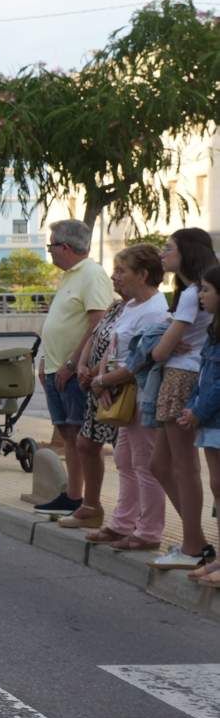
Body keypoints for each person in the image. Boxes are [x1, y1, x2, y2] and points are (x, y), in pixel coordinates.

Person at [87, 244, 169, 551]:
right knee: (124, 459)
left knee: (145, 463)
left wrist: (103, 381)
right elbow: (115, 349)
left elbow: (141, 360)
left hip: (141, 392)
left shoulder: (155, 311)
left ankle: (149, 530)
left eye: (122, 271)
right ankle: (124, 522)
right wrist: (103, 381)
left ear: (143, 274)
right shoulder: (131, 306)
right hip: (120, 391)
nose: (114, 276)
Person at [145, 229, 219, 571]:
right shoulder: (194, 293)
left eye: (169, 248)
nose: (163, 254)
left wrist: (163, 345)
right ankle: (196, 539)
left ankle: (193, 546)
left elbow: (159, 351)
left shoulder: (191, 294)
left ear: (186, 252)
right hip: (182, 375)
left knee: (183, 467)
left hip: (181, 377)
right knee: (161, 465)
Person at [34, 220, 114, 518]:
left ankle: (88, 502)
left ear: (64, 247)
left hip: (74, 370)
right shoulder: (70, 276)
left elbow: (98, 324)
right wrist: (46, 363)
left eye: (51, 245)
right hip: (56, 368)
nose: (50, 251)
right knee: (68, 433)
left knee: (84, 436)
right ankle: (73, 496)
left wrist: (72, 363)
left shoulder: (92, 275)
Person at [63, 280, 128, 536]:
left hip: (117, 390)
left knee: (129, 457)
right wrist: (81, 366)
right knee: (86, 443)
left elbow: (126, 351)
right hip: (96, 386)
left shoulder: (144, 310)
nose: (115, 277)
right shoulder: (116, 306)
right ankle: (91, 507)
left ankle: (131, 517)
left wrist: (99, 376)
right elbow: (95, 336)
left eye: (122, 271)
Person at [177, 265, 220, 587]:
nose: (200, 295)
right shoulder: (214, 332)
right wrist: (191, 405)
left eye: (206, 289)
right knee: (217, 487)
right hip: (209, 421)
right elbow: (204, 378)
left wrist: (198, 412)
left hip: (214, 420)